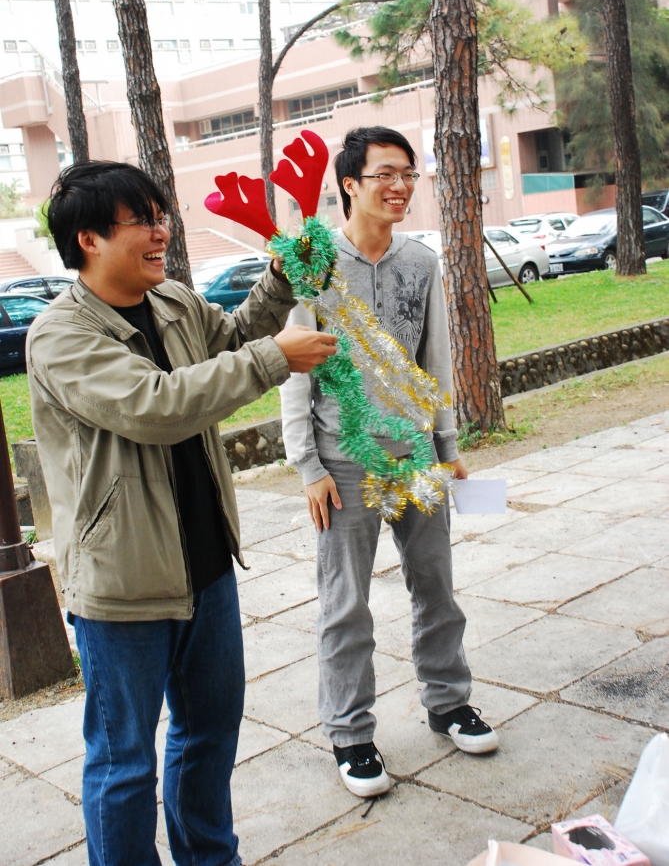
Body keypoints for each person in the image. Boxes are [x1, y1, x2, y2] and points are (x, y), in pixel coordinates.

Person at [26, 161, 337, 866]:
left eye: (161, 215)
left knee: (208, 736)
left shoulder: (170, 300)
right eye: (142, 219)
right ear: (88, 239)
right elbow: (156, 406)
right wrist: (274, 359)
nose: (161, 231)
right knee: (124, 763)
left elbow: (229, 339)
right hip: (123, 583)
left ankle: (209, 858)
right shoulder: (59, 335)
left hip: (205, 565)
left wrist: (280, 278)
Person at [280, 126, 499, 799]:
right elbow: (292, 367)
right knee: (345, 604)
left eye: (407, 173)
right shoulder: (314, 264)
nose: (400, 186)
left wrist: (447, 446)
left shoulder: (421, 261)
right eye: (385, 174)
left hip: (415, 455)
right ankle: (350, 734)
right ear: (350, 184)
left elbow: (436, 356)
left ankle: (449, 702)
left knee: (436, 586)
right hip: (343, 462)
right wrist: (307, 465)